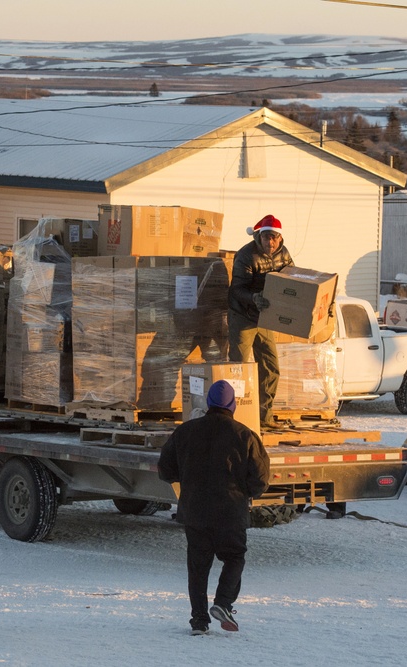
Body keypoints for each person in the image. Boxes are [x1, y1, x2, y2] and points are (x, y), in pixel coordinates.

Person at [158, 380, 270, 636]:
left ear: (208, 403)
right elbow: (260, 479)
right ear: (232, 405)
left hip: (194, 511)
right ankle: (223, 603)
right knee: (234, 557)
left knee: (198, 566)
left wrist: (185, 477)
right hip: (230, 512)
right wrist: (245, 494)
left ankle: (199, 621)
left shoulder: (184, 432)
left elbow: (165, 470)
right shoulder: (245, 435)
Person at [228, 214, 294, 427]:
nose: (270, 242)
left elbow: (293, 279)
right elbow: (236, 289)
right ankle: (234, 419)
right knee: (239, 366)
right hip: (243, 315)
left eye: (274, 237)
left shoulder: (284, 254)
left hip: (265, 317)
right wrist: (254, 298)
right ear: (259, 236)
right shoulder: (246, 255)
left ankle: (264, 417)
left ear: (280, 237)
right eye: (266, 237)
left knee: (270, 365)